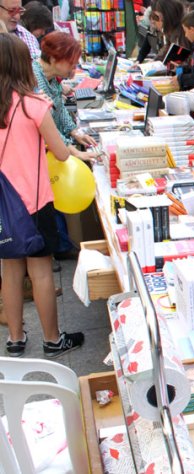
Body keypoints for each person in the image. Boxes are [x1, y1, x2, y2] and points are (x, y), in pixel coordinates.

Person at [0, 33, 84, 357]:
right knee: (40, 271)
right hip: (33, 201)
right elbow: (61, 153)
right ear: (24, 64)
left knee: (10, 271)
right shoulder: (34, 104)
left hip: (4, 205)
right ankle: (52, 339)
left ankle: (16, 339)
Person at [31, 32, 99, 161]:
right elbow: (48, 127)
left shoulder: (51, 77)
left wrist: (75, 132)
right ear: (53, 59)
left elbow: (60, 108)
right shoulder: (35, 80)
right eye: (70, 62)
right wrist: (75, 152)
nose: (74, 66)